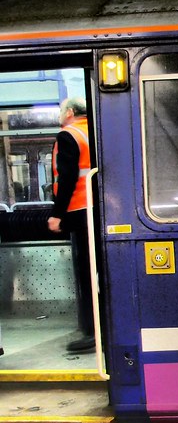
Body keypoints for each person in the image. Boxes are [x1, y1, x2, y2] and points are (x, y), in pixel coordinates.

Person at [47, 96, 95, 353]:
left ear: (70, 112)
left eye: (60, 109)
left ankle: (91, 332)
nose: (59, 114)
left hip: (78, 211)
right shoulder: (96, 130)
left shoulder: (68, 135)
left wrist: (57, 214)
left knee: (87, 274)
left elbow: (66, 178)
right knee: (100, 272)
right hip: (101, 211)